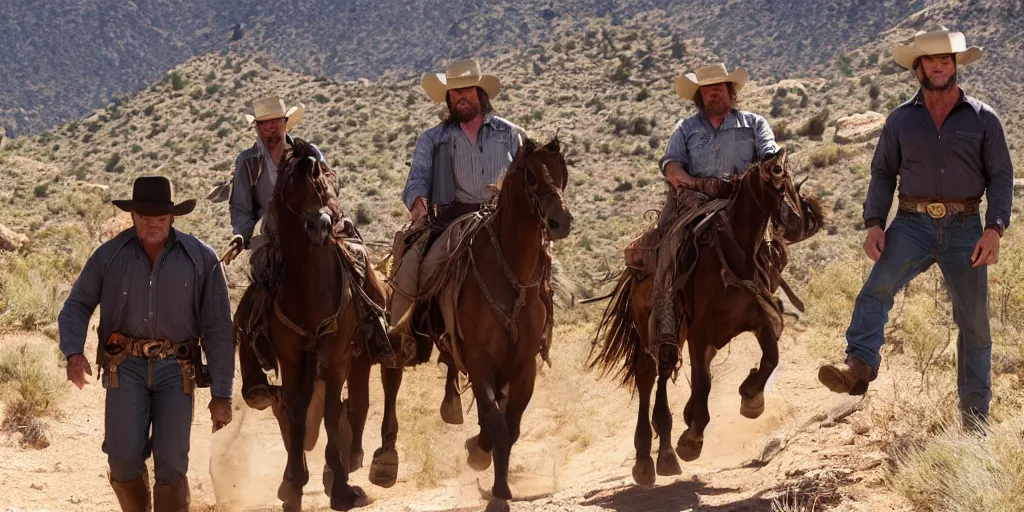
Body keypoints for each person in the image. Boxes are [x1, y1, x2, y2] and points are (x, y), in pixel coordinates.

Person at [817, 30, 1013, 429]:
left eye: (946, 60)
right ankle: (858, 365)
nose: (940, 66)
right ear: (917, 68)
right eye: (931, 60)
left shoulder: (983, 117)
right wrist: (874, 222)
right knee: (877, 289)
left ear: (955, 66)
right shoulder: (901, 119)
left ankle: (974, 419)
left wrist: (994, 229)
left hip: (965, 227)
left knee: (974, 322)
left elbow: (1002, 176)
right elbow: (883, 172)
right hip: (912, 223)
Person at [58, 176, 234, 511]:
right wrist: (74, 352)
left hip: (177, 370)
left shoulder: (202, 260)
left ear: (172, 218)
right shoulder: (108, 257)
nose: (152, 224)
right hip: (125, 367)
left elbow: (218, 330)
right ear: (133, 216)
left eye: (160, 218)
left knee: (171, 462)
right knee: (123, 460)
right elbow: (76, 306)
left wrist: (222, 394)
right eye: (145, 217)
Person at [640, 63, 778, 348]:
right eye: (707, 90)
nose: (713, 94)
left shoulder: (754, 124)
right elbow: (671, 164)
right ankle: (666, 319)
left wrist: (752, 176)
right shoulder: (686, 128)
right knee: (669, 243)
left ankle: (769, 303)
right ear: (699, 96)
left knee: (770, 248)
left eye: (719, 88)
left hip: (741, 202)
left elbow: (769, 158)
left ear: (730, 91)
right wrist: (694, 182)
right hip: (695, 201)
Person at [227, 96, 322, 409]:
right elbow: (241, 208)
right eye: (263, 124)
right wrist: (242, 235)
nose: (270, 129)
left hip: (310, 235)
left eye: (275, 122)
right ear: (256, 128)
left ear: (285, 123)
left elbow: (325, 189)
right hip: (268, 241)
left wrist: (330, 215)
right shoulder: (248, 162)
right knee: (254, 302)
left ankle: (371, 332)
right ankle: (254, 379)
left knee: (347, 272)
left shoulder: (307, 154)